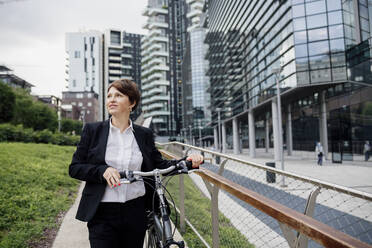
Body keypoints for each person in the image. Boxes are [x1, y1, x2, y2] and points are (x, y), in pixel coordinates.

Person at [69, 79, 203, 248]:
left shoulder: (143, 134)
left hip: (136, 211)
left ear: (132, 103)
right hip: (102, 212)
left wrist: (189, 162)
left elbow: (158, 165)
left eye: (118, 95)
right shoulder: (93, 130)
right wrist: (102, 171)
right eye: (109, 95)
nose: (111, 99)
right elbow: (75, 168)